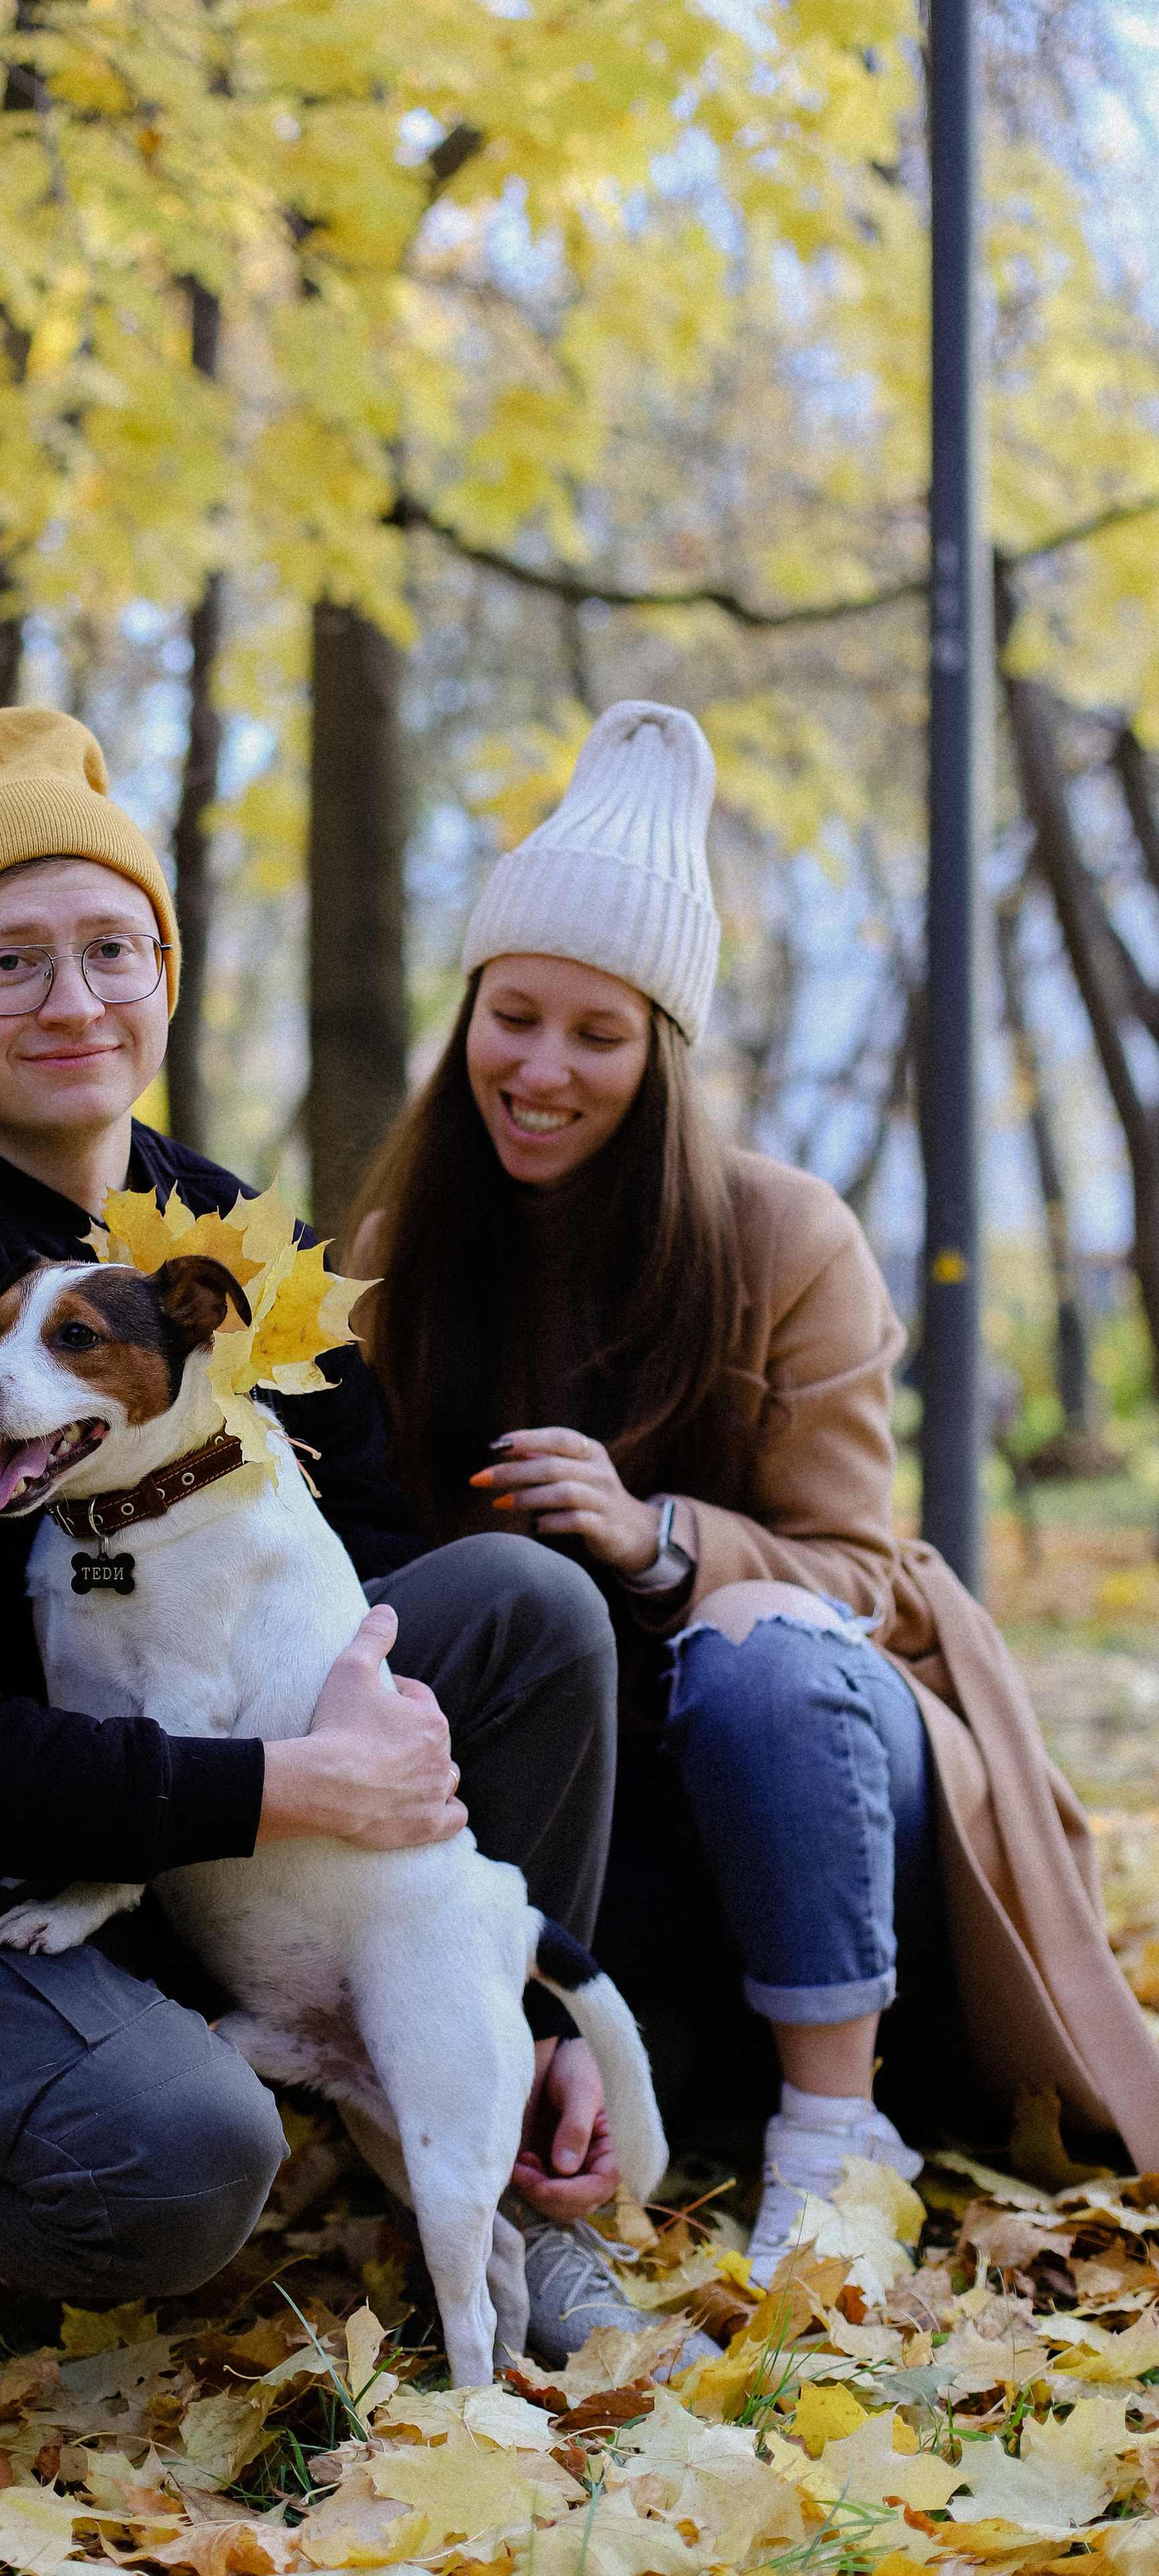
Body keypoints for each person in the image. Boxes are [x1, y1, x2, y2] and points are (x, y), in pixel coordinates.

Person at [0, 705, 644, 2355]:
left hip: (180, 1861)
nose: (73, 1001)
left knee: (523, 1606)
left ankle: (476, 2151)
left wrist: (492, 1986)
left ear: (165, 976)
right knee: (177, 2162)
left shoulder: (219, 1247)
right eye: (9, 964)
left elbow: (364, 1558)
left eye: (110, 949)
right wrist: (287, 1786)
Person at [351, 699, 1159, 2285]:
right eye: (512, 1017)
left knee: (760, 1648)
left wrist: (659, 1541)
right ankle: (551, 2072)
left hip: (815, 1785)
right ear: (468, 1017)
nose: (540, 1069)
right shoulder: (396, 1260)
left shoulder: (782, 1237)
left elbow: (854, 1571)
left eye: (597, 1035)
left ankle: (833, 2130)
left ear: (663, 1055)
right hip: (584, 1826)